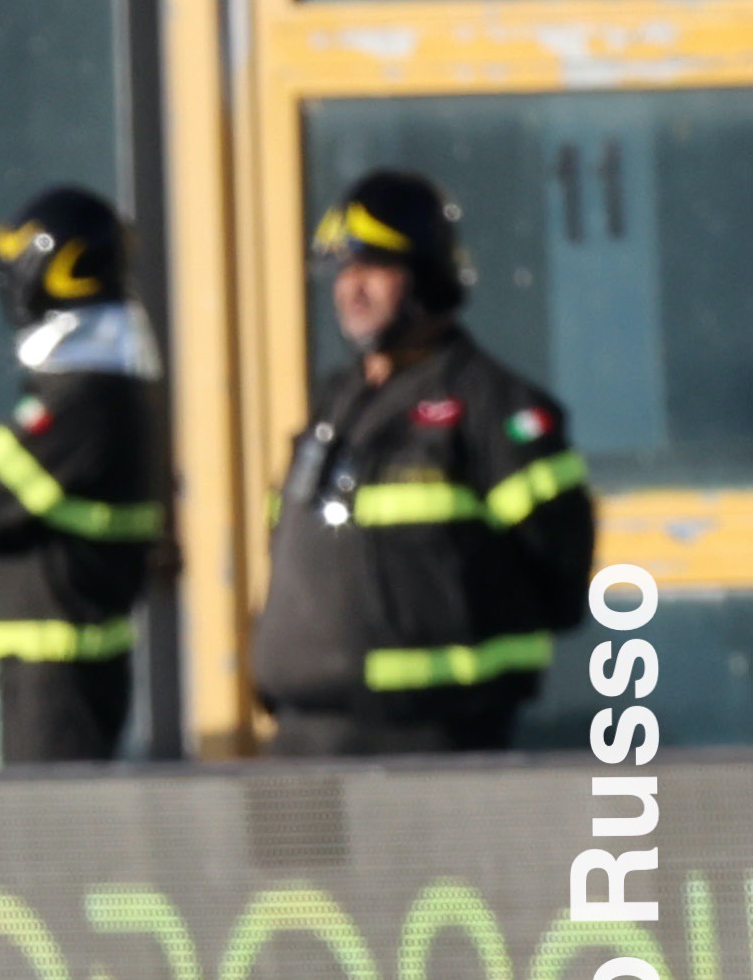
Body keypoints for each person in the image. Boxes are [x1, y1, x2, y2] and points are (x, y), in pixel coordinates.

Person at [249, 167, 593, 757]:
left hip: (428, 743)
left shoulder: (493, 407)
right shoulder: (335, 401)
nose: (351, 288)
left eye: (374, 268)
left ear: (428, 276)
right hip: (302, 736)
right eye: (343, 270)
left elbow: (558, 567)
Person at [0, 185, 167, 764]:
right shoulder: (109, 388)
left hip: (57, 679)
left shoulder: (82, 403)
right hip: (55, 670)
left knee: (48, 821)